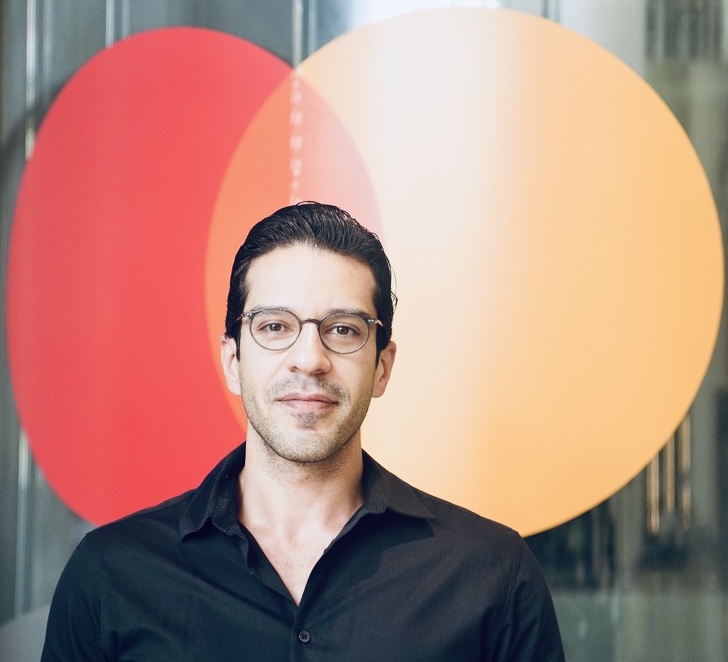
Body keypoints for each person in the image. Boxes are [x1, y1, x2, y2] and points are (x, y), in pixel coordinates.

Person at [41, 202, 565, 661]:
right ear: (233, 361)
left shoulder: (493, 574)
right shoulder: (111, 575)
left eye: (343, 330)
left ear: (382, 367)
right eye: (275, 327)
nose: (310, 359)